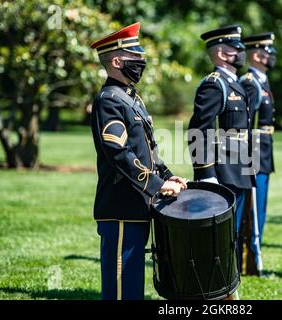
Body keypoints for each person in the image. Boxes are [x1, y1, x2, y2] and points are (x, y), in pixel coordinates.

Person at [90, 22, 187, 300]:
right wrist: (156, 185)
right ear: (118, 60)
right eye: (136, 57)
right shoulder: (109, 100)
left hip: (137, 202)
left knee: (133, 283)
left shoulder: (130, 98)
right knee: (122, 286)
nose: (141, 61)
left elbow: (148, 150)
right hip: (121, 205)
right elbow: (119, 154)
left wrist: (167, 176)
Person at [188, 25, 254, 272]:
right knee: (222, 236)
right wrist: (206, 173)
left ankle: (230, 286)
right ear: (222, 53)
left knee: (234, 233)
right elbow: (198, 130)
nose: (241, 53)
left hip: (239, 168)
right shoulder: (215, 85)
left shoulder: (234, 83)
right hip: (223, 171)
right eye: (236, 48)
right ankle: (217, 286)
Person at [239, 32, 277, 272]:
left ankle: (254, 254)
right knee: (252, 209)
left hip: (264, 149)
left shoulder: (262, 81)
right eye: (267, 52)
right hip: (254, 152)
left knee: (259, 207)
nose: (271, 56)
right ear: (255, 54)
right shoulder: (251, 83)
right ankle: (248, 258)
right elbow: (246, 124)